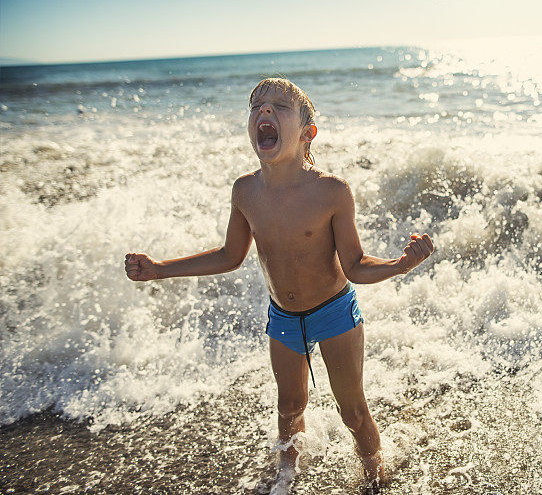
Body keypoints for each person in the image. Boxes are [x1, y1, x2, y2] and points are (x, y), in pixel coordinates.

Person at [124, 77, 434, 492]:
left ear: (308, 134)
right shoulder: (245, 191)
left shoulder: (331, 191)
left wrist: (399, 265)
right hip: (283, 318)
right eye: (257, 107)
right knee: (289, 406)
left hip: (334, 312)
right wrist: (160, 268)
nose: (265, 112)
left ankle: (375, 475)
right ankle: (286, 477)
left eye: (279, 107)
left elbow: (356, 265)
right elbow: (229, 256)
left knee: (353, 412)